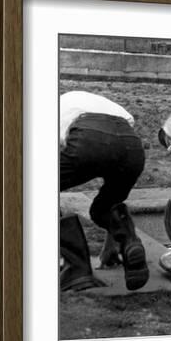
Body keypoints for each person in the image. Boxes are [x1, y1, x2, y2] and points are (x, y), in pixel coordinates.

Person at [59, 90, 149, 291]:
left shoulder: (55, 110)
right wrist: (111, 245)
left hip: (89, 138)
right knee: (104, 207)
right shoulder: (97, 103)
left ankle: (76, 268)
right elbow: (116, 145)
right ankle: (130, 242)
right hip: (132, 146)